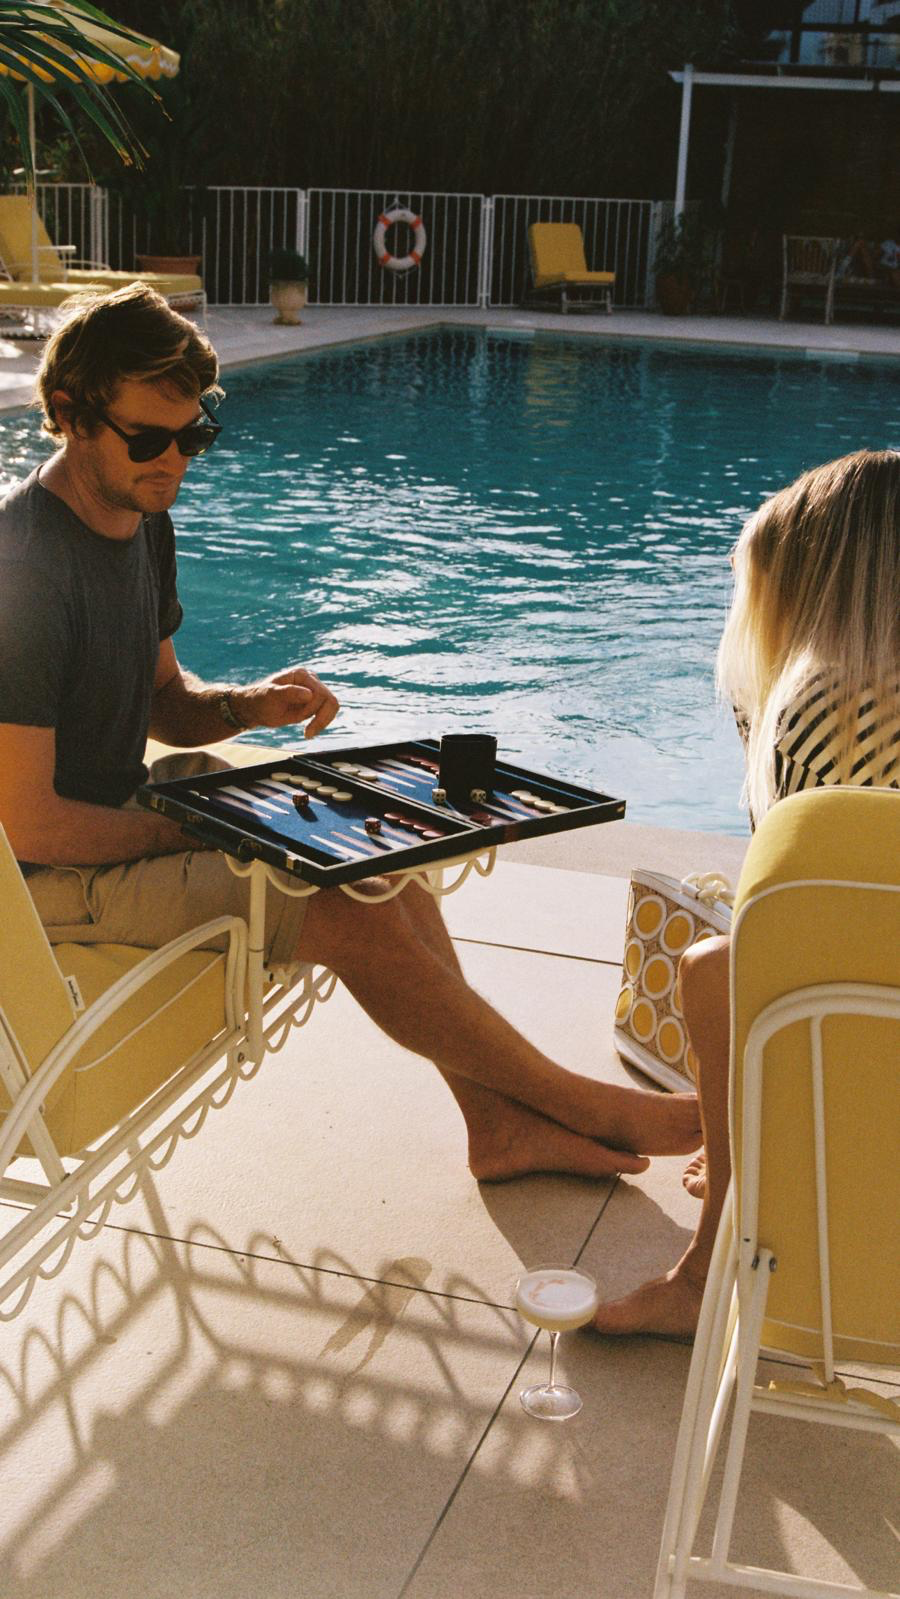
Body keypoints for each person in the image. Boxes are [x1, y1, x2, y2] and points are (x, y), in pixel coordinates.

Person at [0, 283, 701, 1185]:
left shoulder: (143, 513)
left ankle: (496, 1123)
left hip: (118, 807)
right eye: (148, 438)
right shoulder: (22, 572)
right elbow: (29, 825)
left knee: (374, 856)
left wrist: (247, 705)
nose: (174, 461)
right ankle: (580, 1103)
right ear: (67, 413)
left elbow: (165, 705)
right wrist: (200, 825)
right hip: (46, 883)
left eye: (193, 437)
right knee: (334, 909)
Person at [593, 448, 900, 1339]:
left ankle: (712, 1262)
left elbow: (799, 905)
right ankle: (762, 1154)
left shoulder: (826, 704)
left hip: (868, 1028)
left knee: (714, 967)